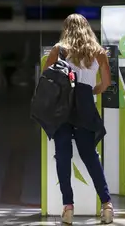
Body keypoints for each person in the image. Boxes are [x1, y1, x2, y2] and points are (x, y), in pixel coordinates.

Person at [43, 14, 112, 224]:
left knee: (63, 155)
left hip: (63, 107)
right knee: (90, 155)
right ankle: (107, 205)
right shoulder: (98, 52)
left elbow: (45, 76)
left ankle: (68, 208)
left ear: (66, 29)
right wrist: (91, 91)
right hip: (85, 107)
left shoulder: (59, 50)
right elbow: (106, 83)